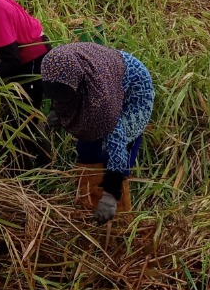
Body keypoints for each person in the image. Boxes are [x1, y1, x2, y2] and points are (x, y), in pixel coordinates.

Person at [38, 43, 154, 224]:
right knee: (87, 149)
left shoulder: (102, 101)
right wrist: (59, 112)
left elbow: (118, 141)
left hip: (133, 88)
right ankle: (87, 205)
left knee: (114, 145)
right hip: (101, 72)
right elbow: (61, 93)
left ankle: (118, 218)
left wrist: (110, 194)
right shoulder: (55, 64)